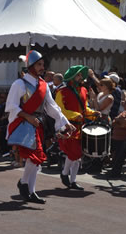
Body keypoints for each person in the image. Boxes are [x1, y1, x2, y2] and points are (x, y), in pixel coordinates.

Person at [6, 51, 74, 204]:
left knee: (36, 160)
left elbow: (51, 106)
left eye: (43, 65)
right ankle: (25, 185)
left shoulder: (44, 85)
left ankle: (30, 189)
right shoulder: (19, 84)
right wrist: (28, 117)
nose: (42, 67)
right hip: (24, 123)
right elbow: (11, 106)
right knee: (36, 157)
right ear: (30, 65)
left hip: (38, 124)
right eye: (39, 64)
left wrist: (65, 122)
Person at [56, 65, 99, 190]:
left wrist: (93, 114)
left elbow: (84, 109)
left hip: (81, 127)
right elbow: (59, 110)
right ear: (73, 76)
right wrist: (75, 115)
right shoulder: (61, 91)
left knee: (78, 156)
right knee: (74, 153)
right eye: (79, 75)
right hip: (68, 127)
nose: (82, 77)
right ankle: (65, 174)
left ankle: (72, 180)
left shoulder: (83, 90)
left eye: (82, 75)